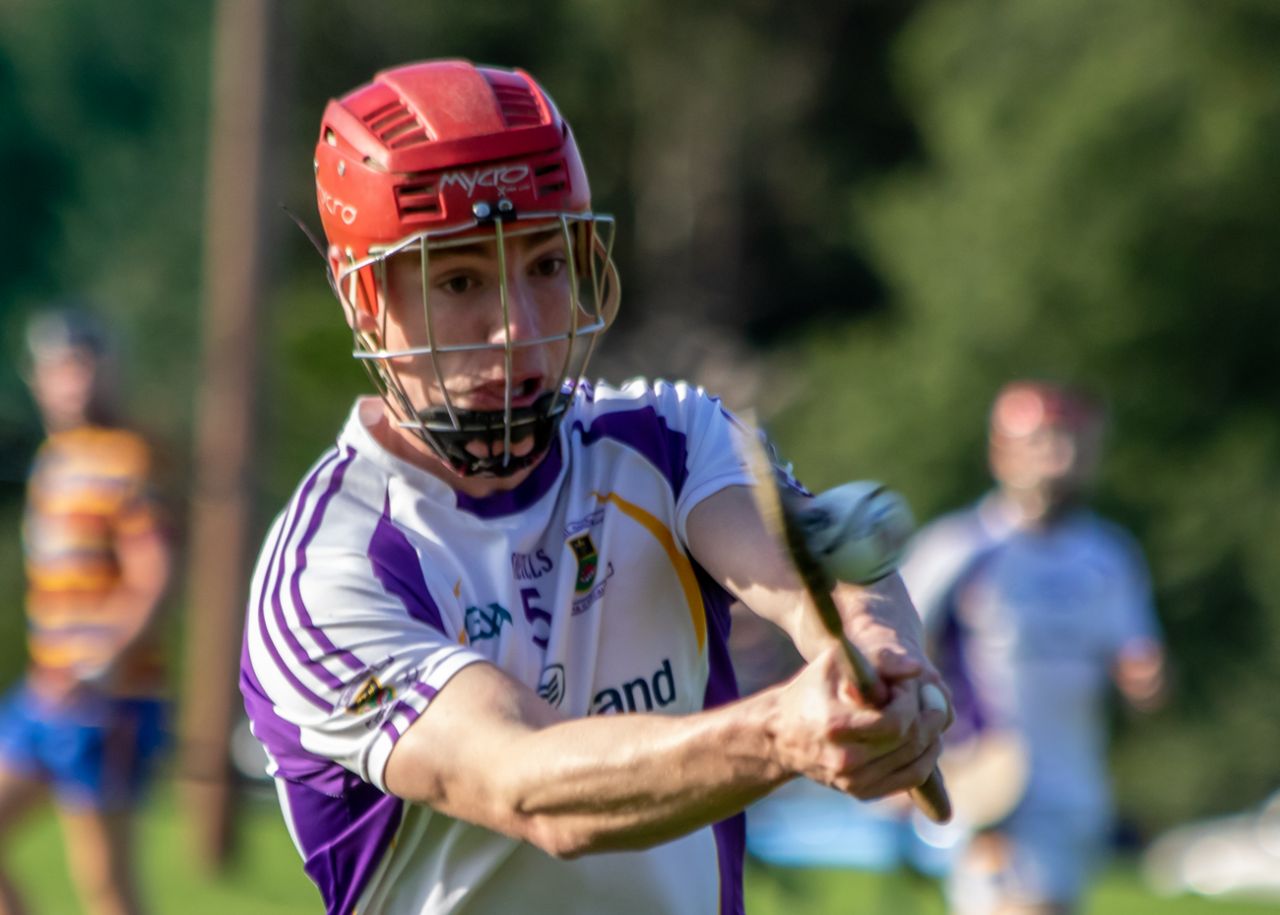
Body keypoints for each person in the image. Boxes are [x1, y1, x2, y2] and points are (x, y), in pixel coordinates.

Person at [240, 59, 950, 915]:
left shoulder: (670, 437)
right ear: (363, 300)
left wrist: (876, 660)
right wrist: (783, 733)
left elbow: (819, 572)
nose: (520, 327)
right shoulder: (330, 570)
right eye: (460, 282)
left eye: (545, 264)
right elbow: (526, 782)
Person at [901, 380, 1166, 915]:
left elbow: (1140, 662)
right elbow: (892, 647)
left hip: (1077, 783)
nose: (1062, 458)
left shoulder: (1109, 555)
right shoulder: (959, 549)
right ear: (1003, 450)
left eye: (1075, 442)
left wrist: (1145, 678)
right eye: (1046, 441)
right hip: (992, 783)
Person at [0, 308, 172, 915]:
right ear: (37, 378)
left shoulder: (127, 458)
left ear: (108, 370)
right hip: (44, 691)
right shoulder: (53, 462)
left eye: (83, 363)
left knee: (106, 888)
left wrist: (102, 660)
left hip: (108, 698)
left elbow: (152, 578)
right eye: (58, 366)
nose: (73, 379)